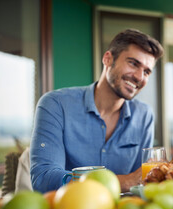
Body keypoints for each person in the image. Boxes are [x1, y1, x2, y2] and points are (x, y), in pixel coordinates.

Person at [30, 29, 163, 193]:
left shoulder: (144, 116)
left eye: (147, 71)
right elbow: (43, 179)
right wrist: (122, 181)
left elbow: (140, 183)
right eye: (133, 63)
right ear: (108, 59)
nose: (139, 77)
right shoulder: (56, 105)